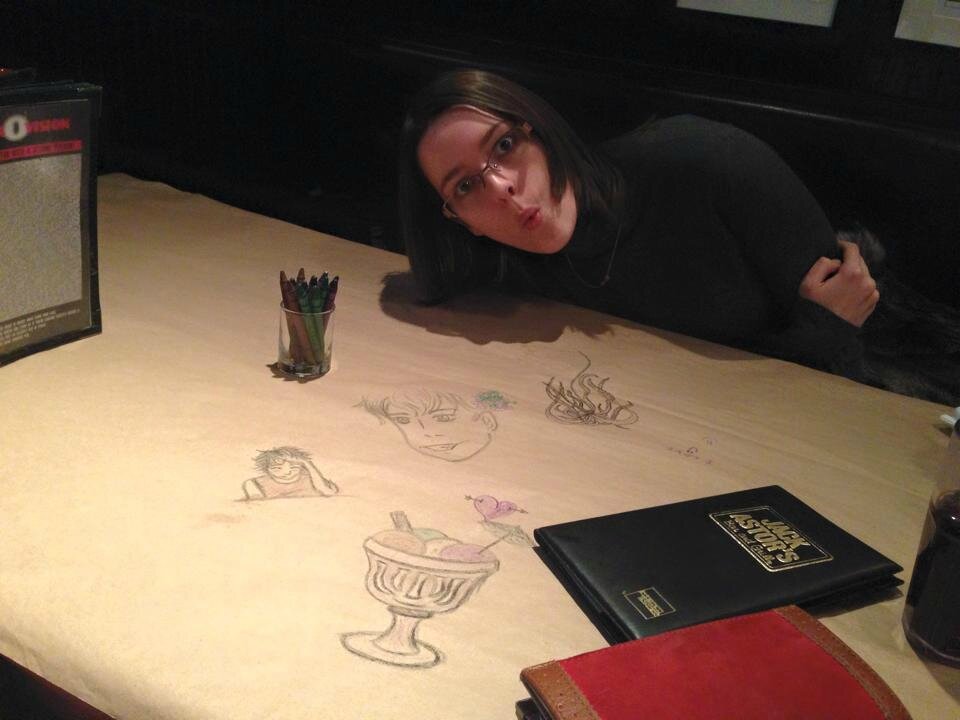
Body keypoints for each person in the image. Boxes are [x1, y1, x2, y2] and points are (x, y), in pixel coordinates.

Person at [398, 69, 959, 404]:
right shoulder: (499, 264)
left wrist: (822, 330)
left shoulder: (704, 163)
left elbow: (853, 366)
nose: (502, 189)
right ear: (458, 218)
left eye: (503, 146)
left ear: (537, 133)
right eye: (466, 186)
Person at [242, 446, 339, 500]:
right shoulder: (255, 484)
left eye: (294, 467)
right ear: (266, 469)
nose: (287, 472)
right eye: (277, 468)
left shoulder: (313, 478)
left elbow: (329, 493)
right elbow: (256, 507)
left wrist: (307, 463)